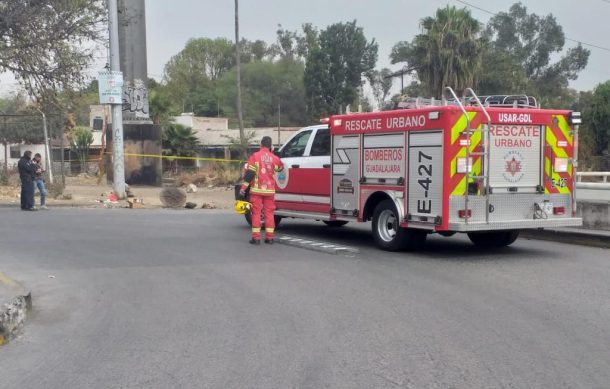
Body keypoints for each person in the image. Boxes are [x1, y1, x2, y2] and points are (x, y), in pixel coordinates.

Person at [239, 136, 284, 244]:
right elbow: (280, 168)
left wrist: (243, 188)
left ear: (261, 145)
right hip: (269, 191)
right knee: (269, 214)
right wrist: (274, 154)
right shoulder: (274, 158)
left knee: (256, 213)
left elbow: (250, 174)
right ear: (271, 146)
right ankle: (270, 238)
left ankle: (256, 238)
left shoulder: (255, 156)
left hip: (257, 190)